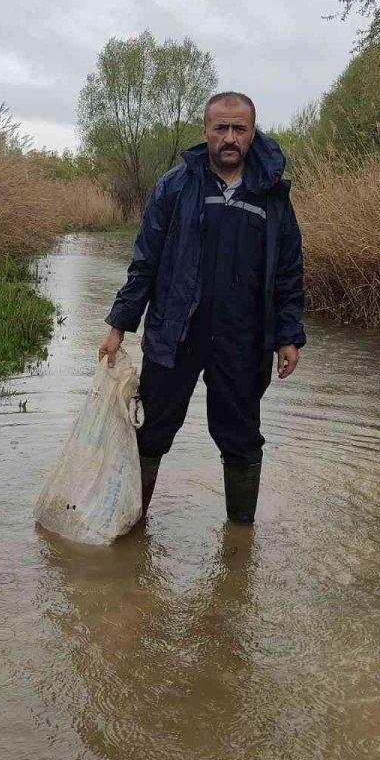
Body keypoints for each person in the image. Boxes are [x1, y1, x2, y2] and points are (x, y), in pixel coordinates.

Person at [98, 91, 305, 524]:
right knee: (151, 433)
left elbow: (288, 271)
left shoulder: (273, 196)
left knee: (243, 440)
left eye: (239, 129)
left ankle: (239, 540)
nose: (229, 138)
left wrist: (288, 335)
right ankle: (131, 525)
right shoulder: (175, 186)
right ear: (205, 131)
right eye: (220, 128)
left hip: (243, 339)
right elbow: (145, 262)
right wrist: (119, 325)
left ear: (252, 132)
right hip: (176, 332)